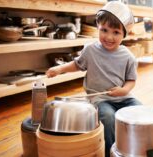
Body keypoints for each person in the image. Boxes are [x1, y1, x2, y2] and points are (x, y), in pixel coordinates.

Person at [46, 1, 142, 156]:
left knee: (140, 110)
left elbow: (131, 80)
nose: (109, 37)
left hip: (124, 97)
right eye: (104, 30)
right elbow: (77, 65)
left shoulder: (128, 57)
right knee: (108, 117)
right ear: (98, 26)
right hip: (99, 98)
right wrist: (59, 69)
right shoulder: (90, 50)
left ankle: (134, 146)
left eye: (116, 32)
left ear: (125, 34)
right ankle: (111, 151)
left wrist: (123, 90)